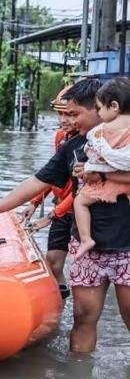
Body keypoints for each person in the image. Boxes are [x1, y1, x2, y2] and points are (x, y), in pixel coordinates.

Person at [0, 78, 130, 353]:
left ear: (100, 109)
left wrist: (101, 173)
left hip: (127, 246)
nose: (68, 121)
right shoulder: (73, 147)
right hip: (88, 247)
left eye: (74, 114)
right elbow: (38, 181)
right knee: (83, 318)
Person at [22, 86, 78, 299]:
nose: (63, 120)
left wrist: (52, 215)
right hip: (62, 206)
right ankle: (60, 306)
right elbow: (53, 174)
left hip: (81, 212)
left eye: (69, 114)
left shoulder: (91, 141)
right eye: (60, 113)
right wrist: (35, 202)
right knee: (53, 262)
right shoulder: (61, 138)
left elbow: (83, 190)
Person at [72, 77, 130, 260]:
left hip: (103, 185)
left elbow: (93, 152)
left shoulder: (101, 131)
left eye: (99, 108)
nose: (98, 114)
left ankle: (86, 239)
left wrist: (93, 168)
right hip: (125, 184)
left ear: (114, 106)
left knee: (80, 202)